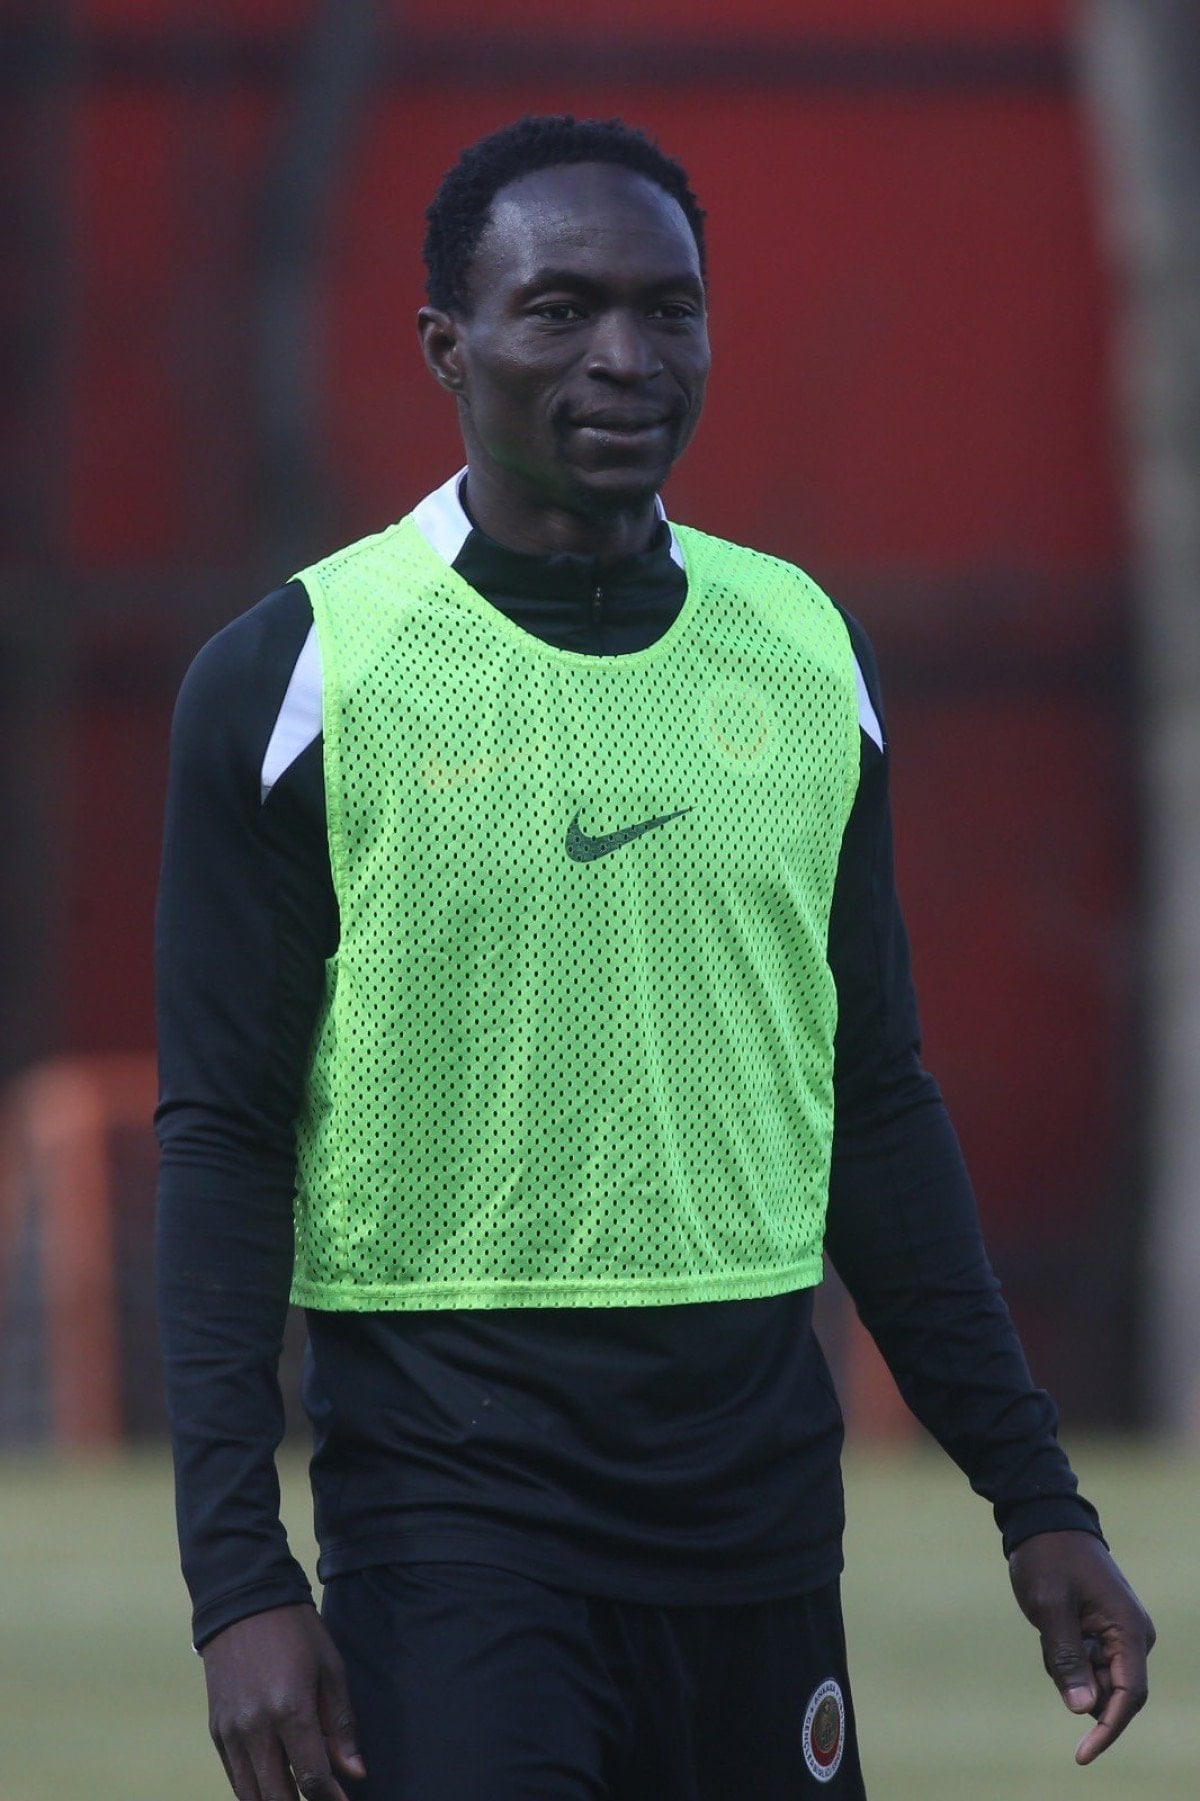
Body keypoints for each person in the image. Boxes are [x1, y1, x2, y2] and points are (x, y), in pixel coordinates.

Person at [155, 114, 1154, 1801]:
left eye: (668, 308)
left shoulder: (804, 649)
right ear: (446, 346)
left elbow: (874, 1100)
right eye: (561, 310)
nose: (625, 357)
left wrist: (1034, 1496)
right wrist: (238, 1579)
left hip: (761, 1523)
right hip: (452, 1520)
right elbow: (224, 1137)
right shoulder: (297, 680)